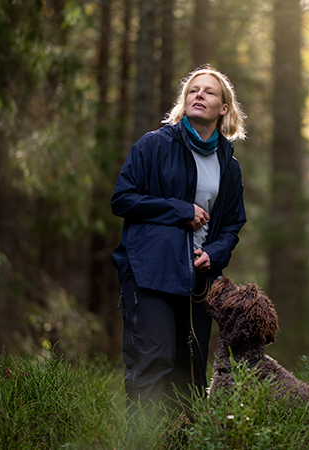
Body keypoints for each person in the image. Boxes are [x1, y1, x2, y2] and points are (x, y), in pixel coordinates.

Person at [111, 66, 247, 418]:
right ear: (184, 102)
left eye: (209, 92)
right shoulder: (153, 145)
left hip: (196, 282)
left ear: (223, 108)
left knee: (189, 378)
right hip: (149, 272)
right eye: (193, 90)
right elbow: (122, 199)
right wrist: (179, 209)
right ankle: (139, 441)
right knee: (152, 363)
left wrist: (214, 255)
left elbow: (232, 225)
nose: (199, 95)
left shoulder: (228, 165)